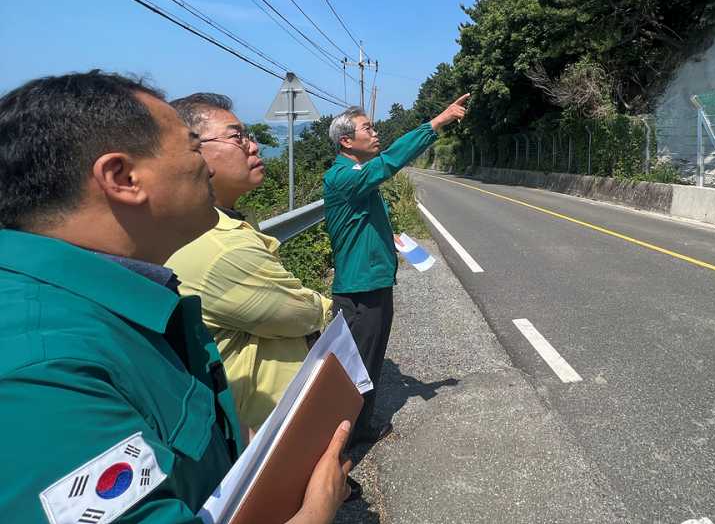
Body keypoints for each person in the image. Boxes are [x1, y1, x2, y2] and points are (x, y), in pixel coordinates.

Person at [0, 71, 351, 524]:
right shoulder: (41, 372)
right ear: (122, 177)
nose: (206, 165)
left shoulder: (123, 304)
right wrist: (318, 510)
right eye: (191, 148)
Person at [166, 93, 332, 432]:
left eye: (249, 136)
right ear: (192, 153)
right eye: (237, 137)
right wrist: (323, 304)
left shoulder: (214, 223)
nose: (253, 147)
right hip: (266, 430)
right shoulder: (220, 246)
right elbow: (301, 313)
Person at [324, 94, 469, 446]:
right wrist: (436, 122)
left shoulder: (355, 175)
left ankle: (350, 427)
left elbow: (359, 222)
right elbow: (389, 163)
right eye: (368, 128)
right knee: (361, 365)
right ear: (346, 141)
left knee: (364, 360)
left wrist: (389, 236)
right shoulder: (344, 176)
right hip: (362, 288)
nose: (376, 134)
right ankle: (352, 435)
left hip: (370, 281)